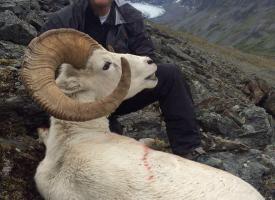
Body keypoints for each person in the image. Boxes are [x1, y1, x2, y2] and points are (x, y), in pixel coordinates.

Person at [40, 0, 202, 158]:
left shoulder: (130, 16)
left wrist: (120, 82)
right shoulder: (64, 20)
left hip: (120, 93)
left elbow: (147, 58)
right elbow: (42, 67)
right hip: (81, 102)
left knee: (170, 75)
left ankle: (187, 149)